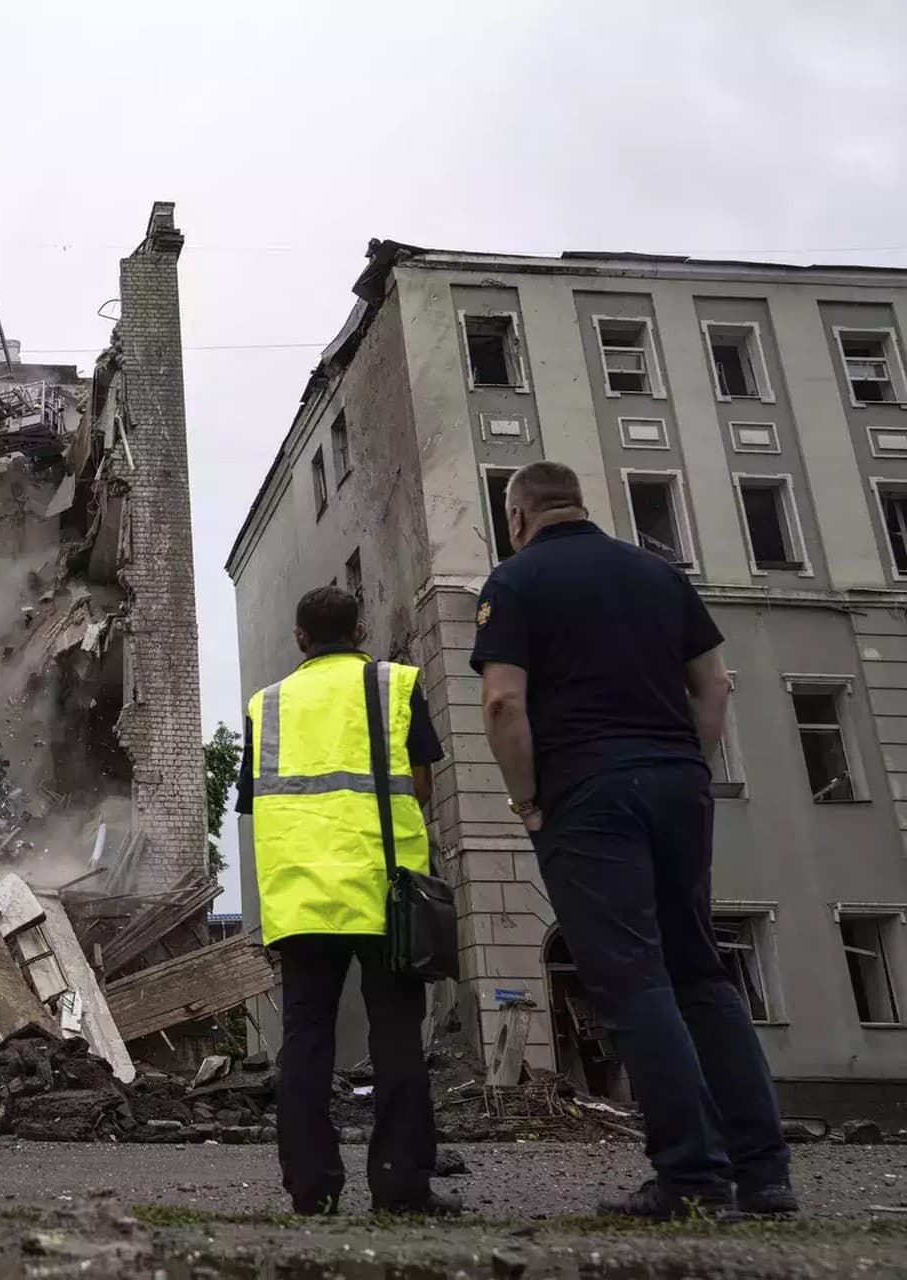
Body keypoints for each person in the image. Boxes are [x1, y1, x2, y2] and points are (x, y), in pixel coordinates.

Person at [471, 460, 794, 1219]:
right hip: (679, 784)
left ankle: (691, 1177)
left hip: (588, 793)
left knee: (633, 981)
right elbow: (713, 685)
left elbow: (501, 704)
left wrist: (527, 800)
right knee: (701, 975)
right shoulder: (658, 574)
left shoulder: (514, 582)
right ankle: (765, 1174)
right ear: (581, 505)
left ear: (517, 518)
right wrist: (689, 763)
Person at [239, 585, 459, 1216]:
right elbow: (420, 783)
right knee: (395, 1034)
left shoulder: (268, 704)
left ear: (299, 640)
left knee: (306, 1039)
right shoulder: (394, 686)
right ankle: (399, 1185)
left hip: (302, 899)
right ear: (361, 632)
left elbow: (258, 801)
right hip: (386, 893)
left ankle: (310, 1187)